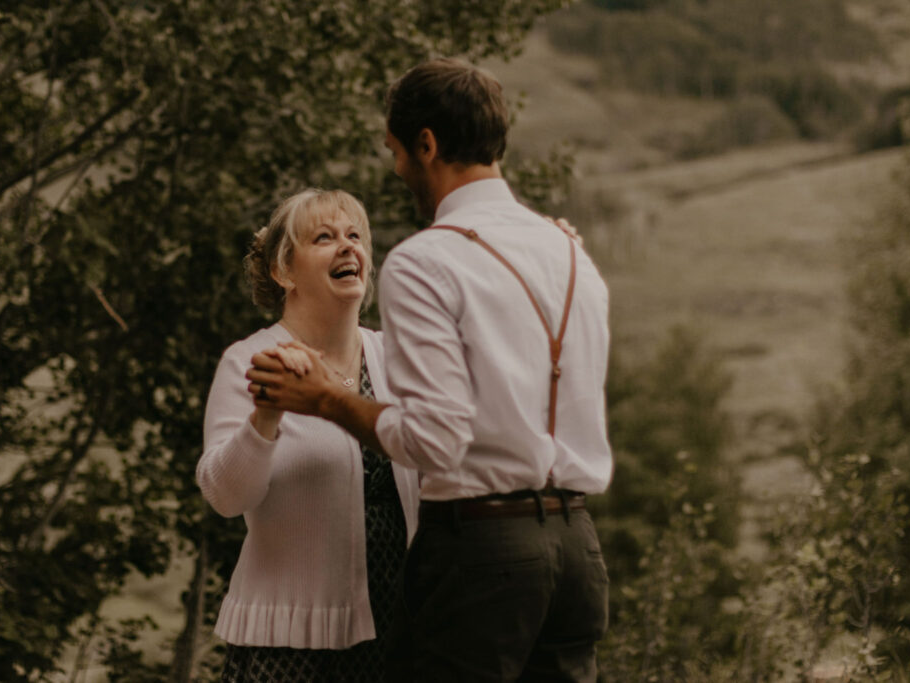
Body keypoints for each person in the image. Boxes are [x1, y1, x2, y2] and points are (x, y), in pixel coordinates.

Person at [246, 58, 613, 682]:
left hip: (482, 554)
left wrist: (325, 399)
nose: (395, 170)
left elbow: (434, 441)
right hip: (578, 551)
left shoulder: (425, 261)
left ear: (426, 144)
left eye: (395, 151)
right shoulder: (571, 253)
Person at [196, 188, 420, 682]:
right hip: (290, 644)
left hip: (400, 635)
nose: (347, 247)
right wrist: (265, 418)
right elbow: (225, 496)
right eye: (324, 237)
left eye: (354, 236)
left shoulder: (397, 358)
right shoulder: (251, 361)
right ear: (284, 271)